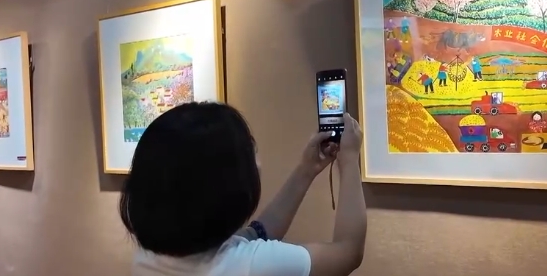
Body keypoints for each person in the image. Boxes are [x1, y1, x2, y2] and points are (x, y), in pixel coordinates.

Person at [121, 102, 367, 276]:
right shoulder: (254, 265)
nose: (257, 162)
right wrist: (349, 160)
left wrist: (306, 170)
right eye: (251, 151)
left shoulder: (149, 257)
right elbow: (348, 253)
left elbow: (258, 233)